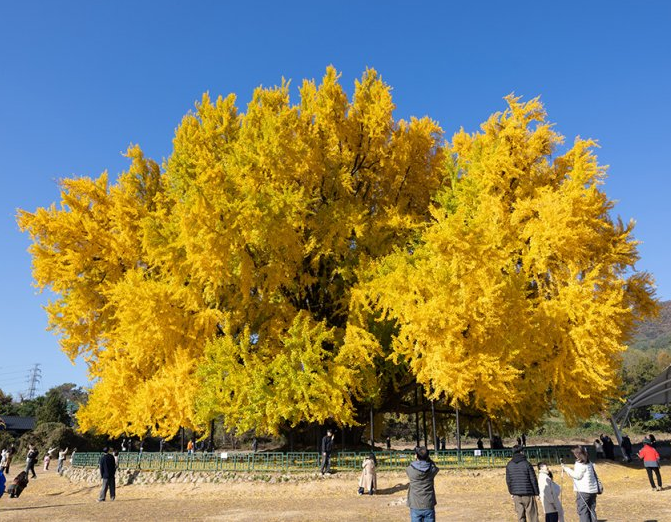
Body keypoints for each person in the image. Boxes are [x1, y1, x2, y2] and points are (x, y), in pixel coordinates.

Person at [562, 445, 600, 522]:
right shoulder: (589, 462)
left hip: (584, 491)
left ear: (577, 454)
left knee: (583, 511)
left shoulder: (580, 463)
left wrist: (566, 469)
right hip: (593, 490)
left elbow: (577, 476)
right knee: (591, 509)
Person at [505, 444, 540, 522]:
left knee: (520, 517)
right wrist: (537, 493)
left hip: (516, 494)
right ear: (521, 452)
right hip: (528, 493)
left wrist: (511, 492)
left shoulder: (509, 464)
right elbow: (533, 479)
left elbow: (508, 480)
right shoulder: (527, 464)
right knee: (533, 516)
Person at [406, 446, 439, 522]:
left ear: (416, 456)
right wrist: (429, 460)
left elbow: (409, 467)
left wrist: (416, 459)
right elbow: (436, 468)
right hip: (428, 503)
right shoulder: (432, 469)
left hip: (415, 504)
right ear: (428, 456)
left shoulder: (410, 469)